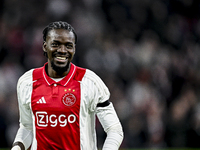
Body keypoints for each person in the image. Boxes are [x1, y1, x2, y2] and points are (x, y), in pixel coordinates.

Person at [11, 21, 124, 150]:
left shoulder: (90, 82)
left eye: (68, 46)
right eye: (55, 44)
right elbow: (27, 127)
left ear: (74, 49)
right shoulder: (27, 82)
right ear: (44, 46)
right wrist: (17, 147)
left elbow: (114, 129)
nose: (62, 50)